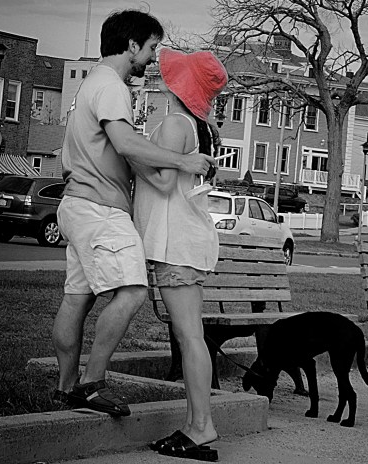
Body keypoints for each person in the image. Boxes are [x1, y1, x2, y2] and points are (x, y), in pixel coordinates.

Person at [51, 9, 215, 417]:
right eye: (151, 47)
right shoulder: (111, 86)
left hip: (77, 203)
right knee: (133, 291)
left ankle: (66, 387)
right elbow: (125, 144)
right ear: (131, 45)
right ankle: (91, 383)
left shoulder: (90, 84)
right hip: (101, 208)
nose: (152, 58)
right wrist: (183, 161)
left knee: (77, 298)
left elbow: (119, 147)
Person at [133, 47, 227, 462]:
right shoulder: (199, 126)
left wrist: (130, 150)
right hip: (186, 241)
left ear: (179, 84)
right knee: (191, 336)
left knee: (189, 336)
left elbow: (163, 182)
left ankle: (201, 426)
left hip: (176, 242)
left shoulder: (175, 123)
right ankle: (194, 424)